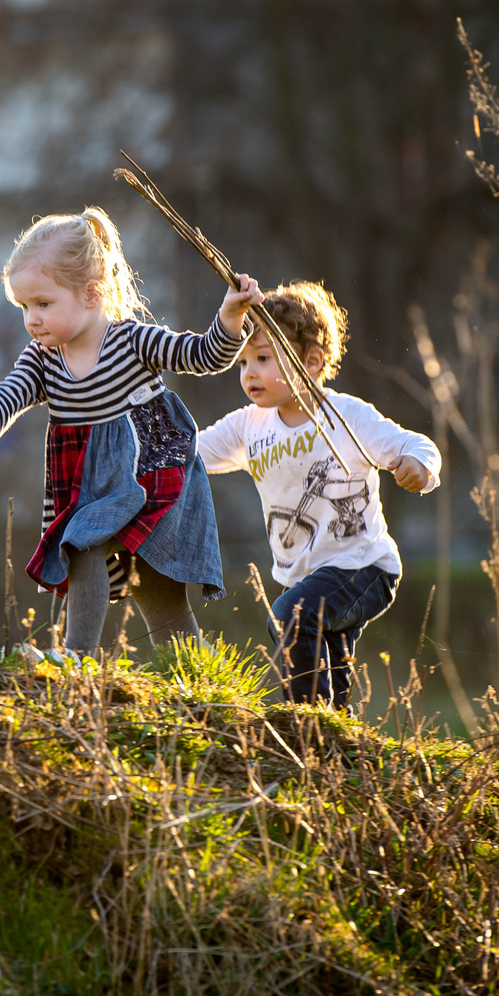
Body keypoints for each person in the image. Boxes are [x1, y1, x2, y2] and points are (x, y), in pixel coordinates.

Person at [0, 206, 263, 659]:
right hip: (92, 486)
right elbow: (11, 392)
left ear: (91, 294)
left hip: (150, 472)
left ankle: (140, 669)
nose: (31, 319)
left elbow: (202, 356)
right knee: (112, 562)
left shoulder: (131, 341)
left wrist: (230, 318)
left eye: (43, 303)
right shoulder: (43, 359)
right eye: (23, 306)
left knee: (123, 568)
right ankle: (130, 664)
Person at [196, 281, 441, 709]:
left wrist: (419, 467)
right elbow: (190, 454)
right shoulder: (248, 425)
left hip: (365, 567)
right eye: (243, 362)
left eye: (263, 358)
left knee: (291, 616)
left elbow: (414, 444)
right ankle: (336, 746)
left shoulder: (345, 416)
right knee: (327, 659)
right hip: (307, 575)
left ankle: (307, 723)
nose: (249, 372)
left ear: (311, 361)